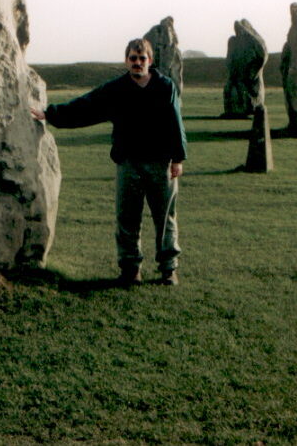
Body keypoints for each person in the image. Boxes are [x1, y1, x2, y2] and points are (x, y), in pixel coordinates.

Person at [30, 38, 187, 286]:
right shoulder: (116, 90)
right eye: (133, 59)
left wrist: (178, 158)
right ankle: (130, 268)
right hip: (129, 162)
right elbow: (86, 106)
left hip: (161, 163)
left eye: (142, 58)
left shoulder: (165, 87)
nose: (137, 63)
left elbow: (175, 124)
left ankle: (168, 269)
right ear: (126, 61)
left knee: (165, 217)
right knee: (127, 219)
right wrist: (51, 114)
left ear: (150, 61)